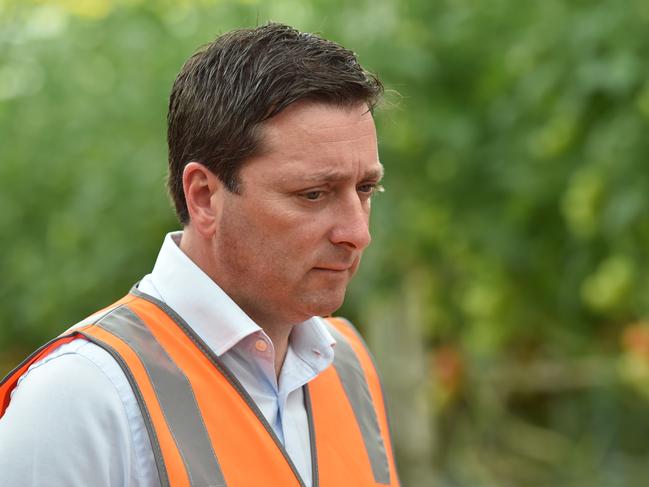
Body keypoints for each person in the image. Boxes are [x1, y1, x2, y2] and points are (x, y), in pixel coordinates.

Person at [0, 23, 399, 487]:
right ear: (205, 196)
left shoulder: (348, 364)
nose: (357, 232)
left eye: (366, 188)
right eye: (313, 194)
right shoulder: (82, 396)